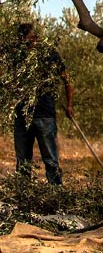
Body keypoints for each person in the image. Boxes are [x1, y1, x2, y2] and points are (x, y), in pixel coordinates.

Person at [13, 23, 74, 185]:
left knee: (51, 160)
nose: (25, 45)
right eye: (22, 41)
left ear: (35, 38)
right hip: (22, 116)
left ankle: (56, 196)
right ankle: (22, 196)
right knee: (22, 162)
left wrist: (69, 105)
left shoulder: (49, 54)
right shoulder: (16, 57)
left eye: (28, 41)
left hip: (44, 116)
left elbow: (67, 79)